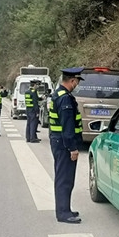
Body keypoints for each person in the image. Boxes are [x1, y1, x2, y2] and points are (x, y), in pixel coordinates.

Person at [49, 67, 84, 223]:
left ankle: (66, 209)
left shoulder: (60, 94)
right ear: (72, 81)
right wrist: (73, 148)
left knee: (65, 178)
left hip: (58, 142)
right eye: (77, 81)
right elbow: (67, 126)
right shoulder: (65, 99)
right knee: (64, 179)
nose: (77, 84)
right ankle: (63, 213)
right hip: (64, 145)